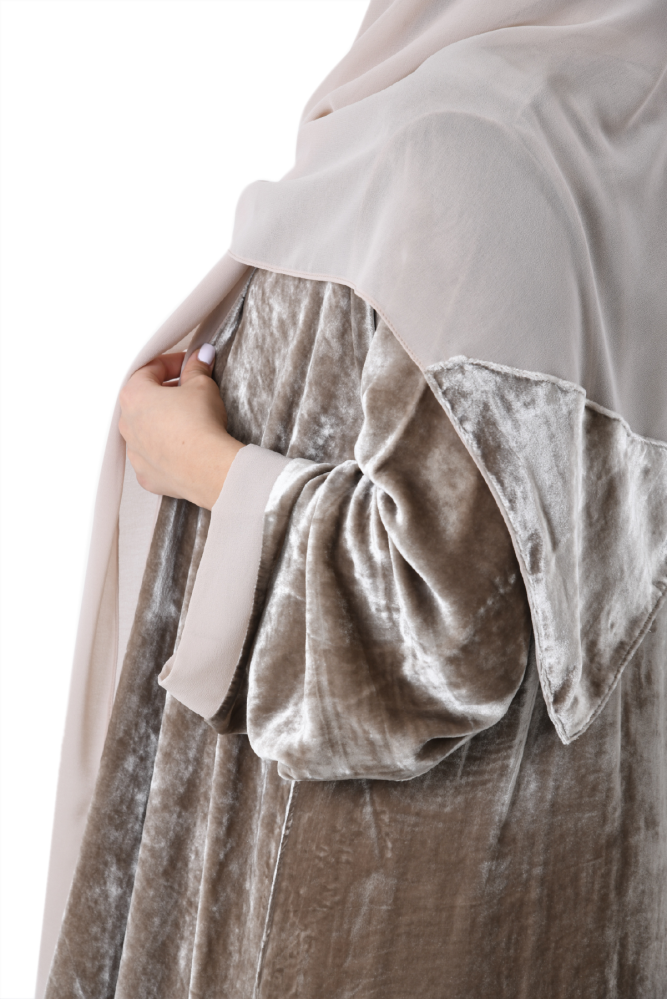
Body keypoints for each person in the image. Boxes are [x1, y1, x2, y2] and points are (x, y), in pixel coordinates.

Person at [39, 1, 667, 997]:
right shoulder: (619, 121)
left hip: (372, 901)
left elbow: (445, 629)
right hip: (540, 888)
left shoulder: (475, 142)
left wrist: (203, 465)